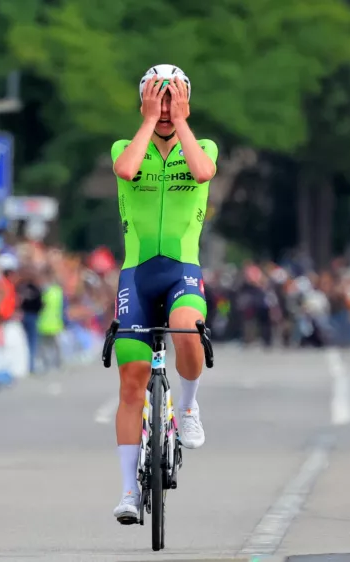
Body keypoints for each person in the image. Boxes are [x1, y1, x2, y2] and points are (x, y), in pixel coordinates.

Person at [109, 64, 218, 523]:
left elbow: (203, 172)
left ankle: (188, 407)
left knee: (188, 330)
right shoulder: (126, 146)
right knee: (132, 381)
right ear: (144, 103)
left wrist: (182, 122)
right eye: (160, 98)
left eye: (175, 99)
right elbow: (126, 169)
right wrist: (150, 120)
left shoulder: (202, 145)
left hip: (181, 270)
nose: (167, 108)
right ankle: (129, 491)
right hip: (137, 273)